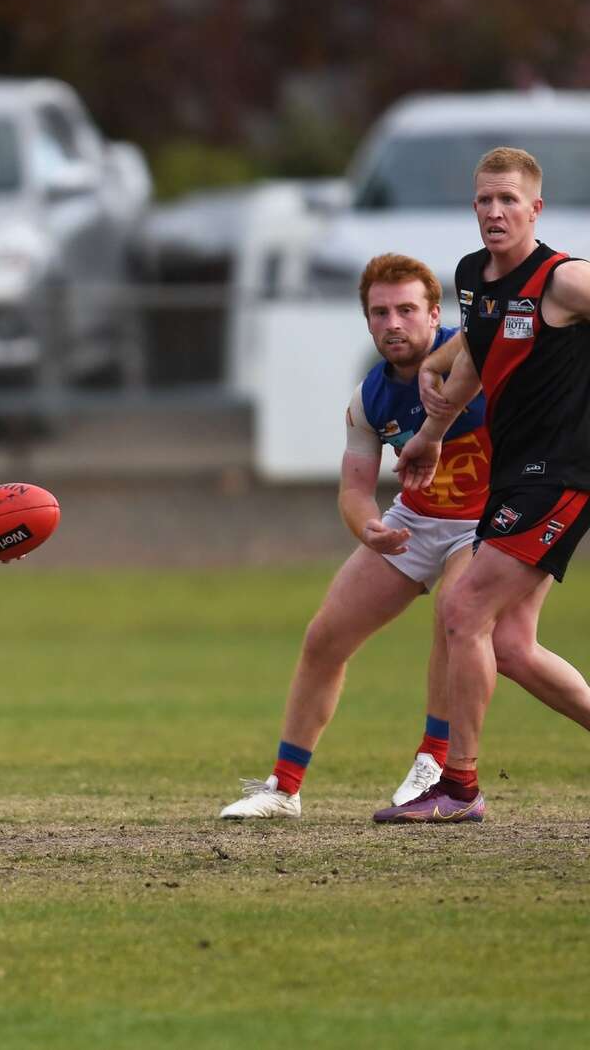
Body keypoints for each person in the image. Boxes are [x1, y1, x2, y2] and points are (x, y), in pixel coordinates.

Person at [220, 254, 488, 819]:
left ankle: (435, 763)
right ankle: (284, 788)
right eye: (380, 312)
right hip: (418, 519)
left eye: (407, 310)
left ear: (435, 313)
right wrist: (368, 527)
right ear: (367, 321)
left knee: (455, 615)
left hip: (491, 516)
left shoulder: (474, 354)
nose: (394, 323)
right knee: (324, 638)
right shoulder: (369, 399)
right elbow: (355, 488)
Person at [378, 146, 590, 823]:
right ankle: (458, 786)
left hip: (558, 474)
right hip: (513, 473)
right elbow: (478, 353)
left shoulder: (563, 280)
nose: (494, 212)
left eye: (508, 200)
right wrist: (429, 435)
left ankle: (459, 787)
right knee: (510, 647)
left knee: (462, 610)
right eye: (483, 200)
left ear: (535, 209)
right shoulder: (475, 276)